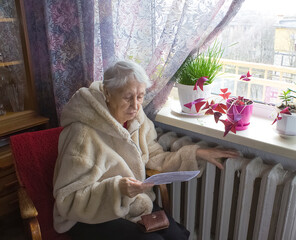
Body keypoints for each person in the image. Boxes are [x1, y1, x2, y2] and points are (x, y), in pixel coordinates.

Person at [53, 60, 239, 240]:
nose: (135, 105)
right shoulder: (82, 134)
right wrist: (117, 189)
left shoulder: (138, 121)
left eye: (140, 96)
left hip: (132, 205)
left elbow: (155, 156)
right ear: (107, 93)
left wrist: (195, 153)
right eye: (128, 97)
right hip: (89, 216)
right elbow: (68, 199)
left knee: (178, 235)